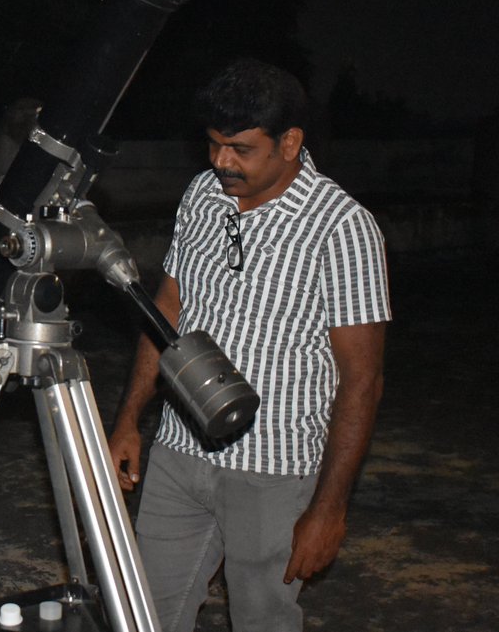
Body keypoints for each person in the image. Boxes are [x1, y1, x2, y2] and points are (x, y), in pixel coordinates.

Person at [106, 58, 391, 632]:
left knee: (263, 620)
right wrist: (130, 419)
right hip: (180, 451)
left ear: (290, 143)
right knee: (144, 614)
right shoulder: (202, 195)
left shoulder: (342, 227)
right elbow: (168, 310)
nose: (221, 162)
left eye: (240, 148)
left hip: (274, 470)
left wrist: (329, 508)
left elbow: (362, 380)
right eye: (213, 144)